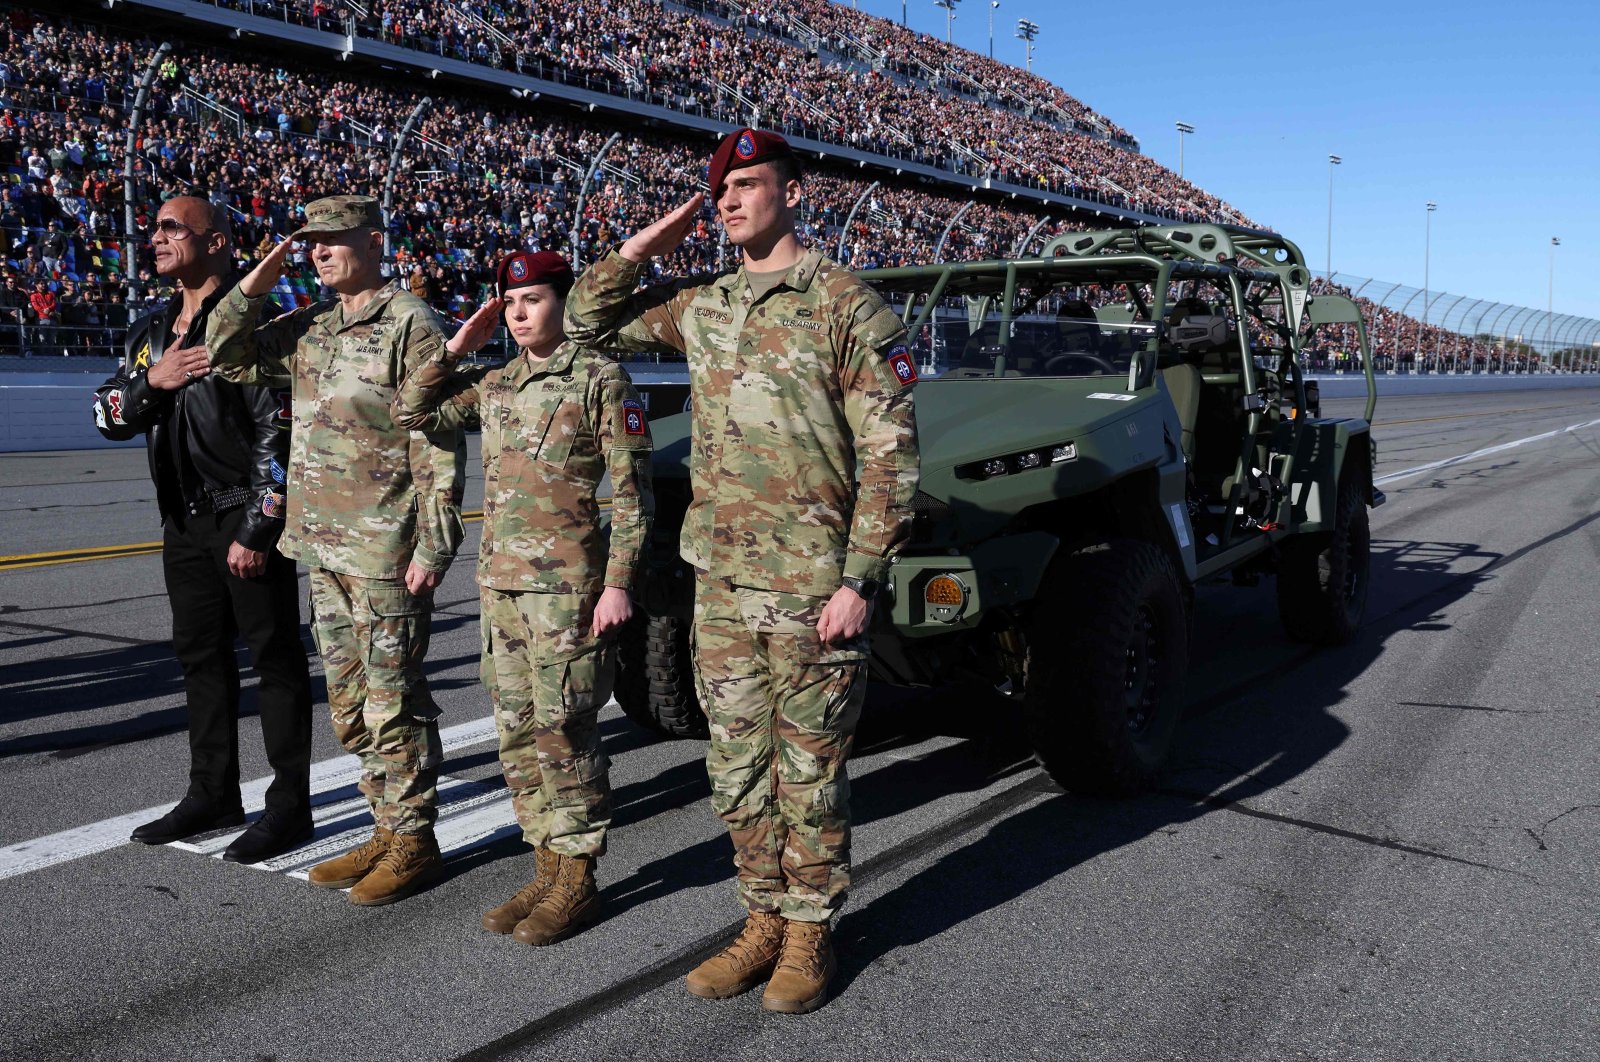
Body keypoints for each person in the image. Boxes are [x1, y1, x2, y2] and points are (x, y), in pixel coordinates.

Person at [565, 128, 920, 1012]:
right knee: (735, 770)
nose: (729, 201)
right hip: (720, 587)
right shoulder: (704, 304)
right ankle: (760, 916)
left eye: (748, 185)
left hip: (810, 587)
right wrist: (653, 240)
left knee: (809, 770)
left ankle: (808, 933)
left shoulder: (846, 305)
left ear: (792, 194)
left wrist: (859, 579)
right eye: (720, 190)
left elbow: (891, 455)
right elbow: (583, 318)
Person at [206, 194, 466, 906]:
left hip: (385, 548)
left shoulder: (409, 323)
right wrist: (263, 274)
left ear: (374, 241)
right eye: (308, 242)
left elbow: (435, 438)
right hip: (321, 544)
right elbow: (228, 354)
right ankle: (385, 825)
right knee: (351, 704)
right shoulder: (313, 325)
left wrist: (434, 545)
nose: (317, 251)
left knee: (393, 701)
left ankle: (413, 839)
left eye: (331, 239)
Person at [393, 250, 654, 945]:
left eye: (532, 299)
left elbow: (632, 499)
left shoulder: (601, 379)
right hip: (501, 588)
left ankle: (577, 876)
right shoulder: (499, 381)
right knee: (515, 734)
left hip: (568, 590)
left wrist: (619, 584)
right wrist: (456, 345)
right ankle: (544, 862)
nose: (517, 312)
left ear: (563, 304)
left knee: (563, 730)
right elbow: (410, 409)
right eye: (509, 302)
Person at [91, 195, 314, 864]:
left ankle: (290, 807)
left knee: (275, 660)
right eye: (153, 227)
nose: (154, 238)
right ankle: (212, 792)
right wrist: (150, 384)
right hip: (183, 523)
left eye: (170, 228)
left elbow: (284, 427)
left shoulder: (256, 321)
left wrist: (258, 527)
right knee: (199, 659)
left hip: (245, 514)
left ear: (215, 242)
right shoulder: (149, 332)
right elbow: (107, 415)